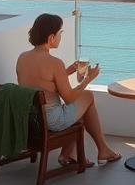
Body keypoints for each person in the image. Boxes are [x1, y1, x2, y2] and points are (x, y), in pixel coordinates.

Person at [17, 13, 122, 167]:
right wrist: (89, 78)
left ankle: (70, 155)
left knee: (79, 109)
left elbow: (41, 83)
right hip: (50, 121)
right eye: (60, 33)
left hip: (30, 119)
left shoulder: (23, 57)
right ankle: (101, 150)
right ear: (51, 37)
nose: (61, 37)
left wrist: (66, 72)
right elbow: (70, 98)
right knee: (87, 97)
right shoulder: (54, 63)